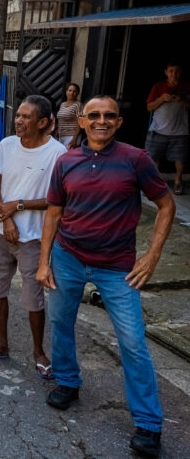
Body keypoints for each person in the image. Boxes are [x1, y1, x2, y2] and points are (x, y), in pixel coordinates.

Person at [37, 95, 176, 457]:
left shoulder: (136, 159)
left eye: (109, 116)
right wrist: (44, 261)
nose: (101, 121)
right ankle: (67, 382)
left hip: (117, 267)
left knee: (132, 341)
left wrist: (152, 254)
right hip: (68, 257)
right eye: (94, 115)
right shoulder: (66, 161)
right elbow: (53, 213)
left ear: (118, 122)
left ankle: (148, 423)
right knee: (61, 322)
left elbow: (166, 204)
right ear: (81, 121)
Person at [0, 95, 66, 380]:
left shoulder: (57, 153)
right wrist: (8, 217)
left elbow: (58, 200)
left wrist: (19, 205)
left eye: (26, 117)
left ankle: (38, 351)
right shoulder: (7, 144)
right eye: (18, 115)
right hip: (1, 233)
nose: (18, 120)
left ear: (43, 123)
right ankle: (1, 343)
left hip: (35, 238)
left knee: (33, 298)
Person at [145, 61, 190, 195]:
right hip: (158, 130)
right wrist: (162, 99)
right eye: (171, 71)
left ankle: (178, 180)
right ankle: (154, 182)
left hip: (180, 131)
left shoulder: (186, 86)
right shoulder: (158, 86)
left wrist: (182, 100)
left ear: (181, 72)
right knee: (153, 158)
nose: (174, 74)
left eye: (177, 71)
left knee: (180, 159)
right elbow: (149, 107)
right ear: (166, 72)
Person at [56, 83, 82, 148]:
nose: (72, 93)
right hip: (60, 136)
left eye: (74, 91)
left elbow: (80, 122)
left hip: (71, 136)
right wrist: (56, 133)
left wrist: (74, 139)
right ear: (66, 92)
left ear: (77, 93)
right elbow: (60, 120)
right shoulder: (62, 104)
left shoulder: (78, 105)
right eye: (70, 90)